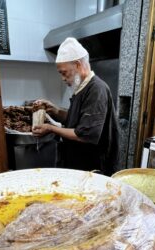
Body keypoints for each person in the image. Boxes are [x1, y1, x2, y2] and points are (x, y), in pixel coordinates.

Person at [32, 37, 120, 176]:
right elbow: (78, 121)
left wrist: (50, 128)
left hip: (94, 167)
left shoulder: (96, 89)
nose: (62, 78)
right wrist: (55, 110)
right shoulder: (80, 88)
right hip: (80, 164)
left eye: (64, 72)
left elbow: (85, 135)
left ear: (78, 65)